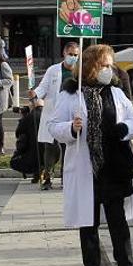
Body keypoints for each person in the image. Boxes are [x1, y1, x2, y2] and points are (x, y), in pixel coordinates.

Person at [47, 44, 133, 266]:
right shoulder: (71, 95)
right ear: (91, 66)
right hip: (84, 168)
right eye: (104, 65)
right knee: (88, 222)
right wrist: (71, 128)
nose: (109, 70)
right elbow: (54, 126)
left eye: (110, 65)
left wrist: (125, 129)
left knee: (117, 221)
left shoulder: (117, 93)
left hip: (113, 167)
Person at [31, 41, 78, 189]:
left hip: (71, 114)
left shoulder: (80, 71)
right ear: (64, 53)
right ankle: (47, 178)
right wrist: (35, 95)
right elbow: (43, 87)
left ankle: (66, 178)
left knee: (69, 147)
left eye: (76, 55)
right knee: (50, 146)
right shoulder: (53, 70)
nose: (73, 57)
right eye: (70, 54)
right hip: (53, 112)